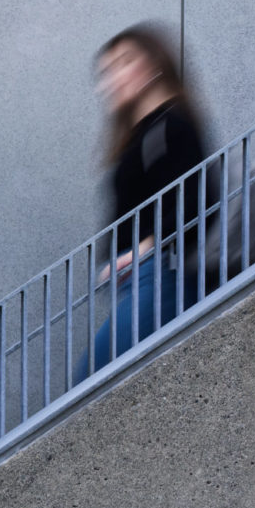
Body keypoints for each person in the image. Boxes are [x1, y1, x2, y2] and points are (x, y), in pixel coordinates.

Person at [83, 24, 212, 376]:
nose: (114, 77)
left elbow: (198, 200)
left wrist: (144, 248)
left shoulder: (172, 125)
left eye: (125, 62)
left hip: (160, 273)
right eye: (108, 70)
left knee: (88, 383)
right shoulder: (141, 135)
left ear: (154, 65)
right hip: (140, 280)